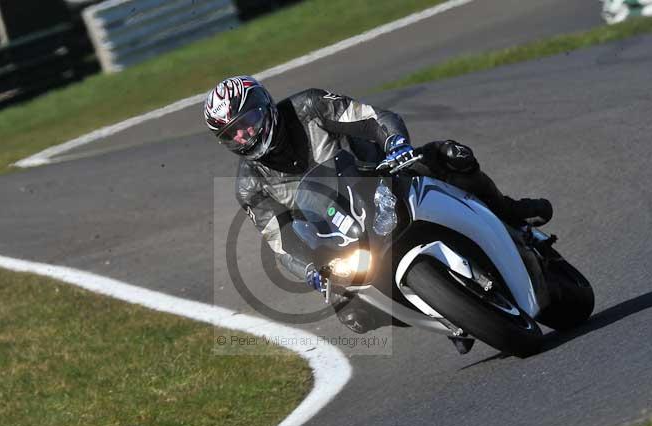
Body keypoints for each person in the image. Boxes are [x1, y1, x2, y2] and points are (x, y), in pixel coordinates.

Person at [204, 75, 552, 333]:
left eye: (247, 123)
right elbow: (282, 240)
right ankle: (446, 313)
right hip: (343, 235)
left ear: (265, 107)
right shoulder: (250, 186)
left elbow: (372, 118)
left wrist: (396, 144)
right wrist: (312, 270)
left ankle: (509, 212)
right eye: (231, 134)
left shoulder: (309, 107)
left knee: (452, 155)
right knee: (353, 316)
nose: (243, 136)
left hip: (384, 178)